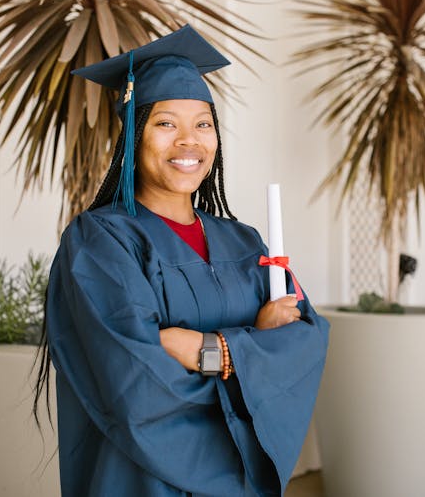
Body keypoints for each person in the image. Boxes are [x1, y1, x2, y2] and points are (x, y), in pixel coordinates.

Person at [34, 25, 329, 497]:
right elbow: (133, 384)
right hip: (139, 479)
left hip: (241, 481)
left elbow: (305, 342)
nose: (189, 141)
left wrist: (209, 350)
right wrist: (255, 352)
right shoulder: (100, 241)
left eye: (203, 124)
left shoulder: (245, 242)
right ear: (134, 136)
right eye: (166, 123)